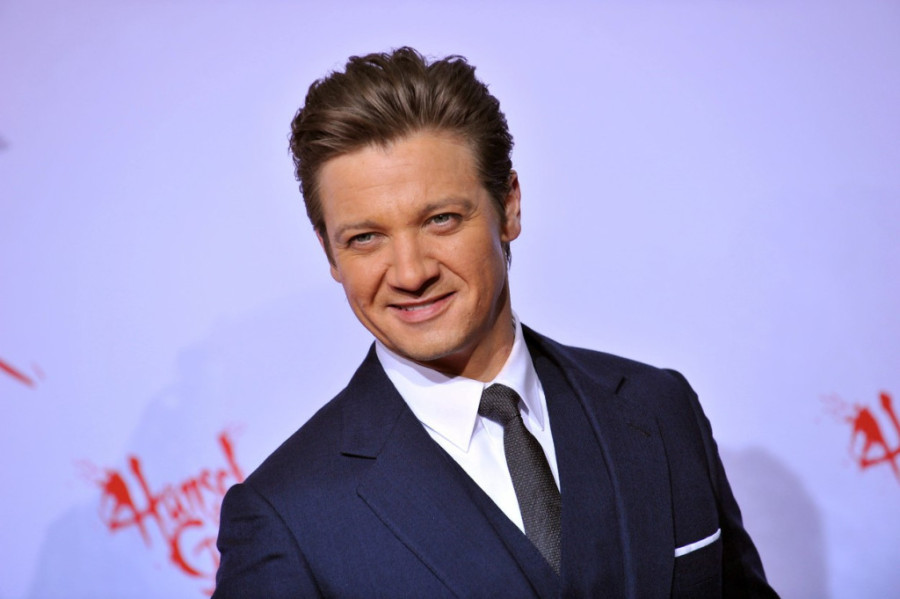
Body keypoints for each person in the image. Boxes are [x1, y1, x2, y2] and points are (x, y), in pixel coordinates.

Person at [213, 47, 777, 598]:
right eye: (365, 238)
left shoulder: (659, 408)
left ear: (508, 207)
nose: (410, 273)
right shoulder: (285, 515)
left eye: (440, 219)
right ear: (329, 254)